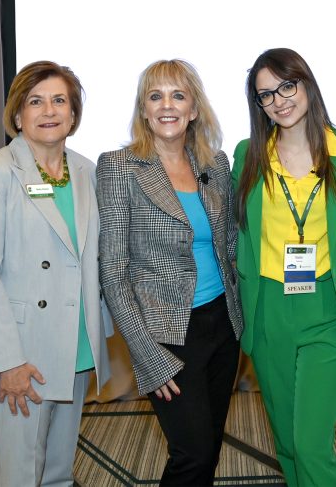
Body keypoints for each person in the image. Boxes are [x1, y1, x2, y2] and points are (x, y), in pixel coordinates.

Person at [0, 60, 111, 487]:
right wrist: (7, 361)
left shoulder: (87, 171)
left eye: (59, 100)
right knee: (18, 476)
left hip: (75, 343)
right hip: (22, 351)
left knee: (60, 471)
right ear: (18, 115)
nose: (49, 111)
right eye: (35, 101)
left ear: (74, 114)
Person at [97, 59, 243, 486]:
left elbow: (229, 246)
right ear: (143, 109)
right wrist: (147, 356)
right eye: (155, 95)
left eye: (178, 95)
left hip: (224, 326)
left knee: (210, 448)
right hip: (166, 334)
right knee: (192, 455)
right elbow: (114, 271)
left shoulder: (215, 165)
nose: (167, 105)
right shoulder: (120, 166)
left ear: (194, 108)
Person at [232, 48, 336, 487]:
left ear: (306, 83)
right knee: (287, 443)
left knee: (311, 445)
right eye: (266, 95)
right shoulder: (248, 155)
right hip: (269, 308)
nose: (279, 100)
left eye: (287, 86)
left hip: (328, 310)